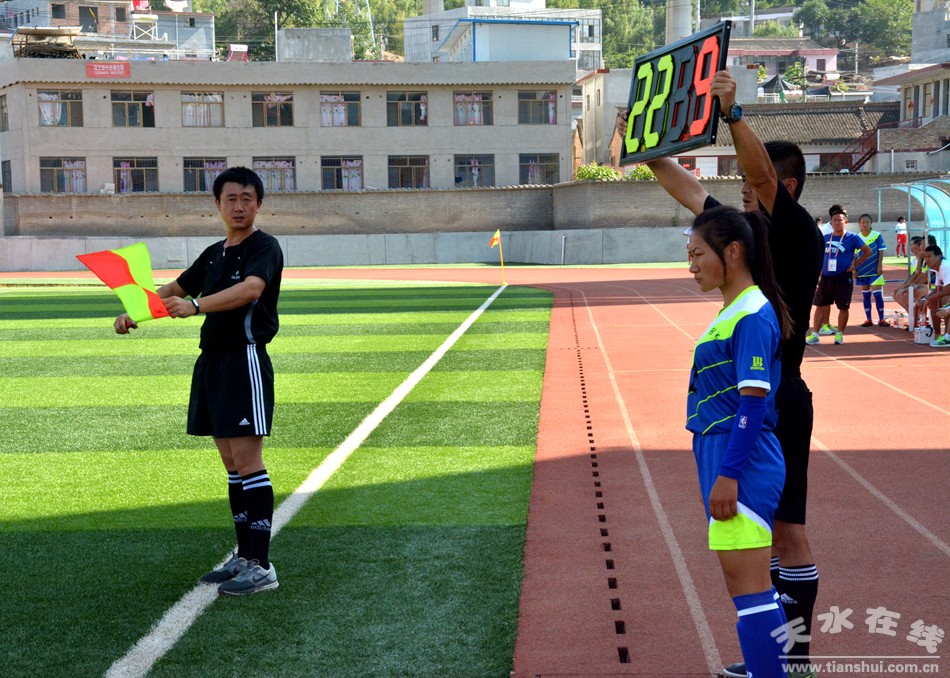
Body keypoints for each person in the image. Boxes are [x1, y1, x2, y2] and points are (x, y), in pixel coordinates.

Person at [620, 68, 824, 678]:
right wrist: (645, 148)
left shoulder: (795, 232)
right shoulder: (746, 235)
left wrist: (733, 115)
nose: (743, 190)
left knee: (786, 535)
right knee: (764, 540)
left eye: (755, 182)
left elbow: (760, 177)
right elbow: (689, 193)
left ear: (788, 186)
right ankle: (775, 658)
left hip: (776, 400)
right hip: (754, 402)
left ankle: (792, 659)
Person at [114, 166, 284, 596]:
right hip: (212, 364)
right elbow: (172, 289)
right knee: (231, 464)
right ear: (217, 205)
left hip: (244, 359)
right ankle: (244, 556)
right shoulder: (212, 254)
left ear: (259, 204)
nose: (239, 206)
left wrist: (197, 306)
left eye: (247, 198)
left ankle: (262, 565)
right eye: (231, 199)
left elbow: (251, 290)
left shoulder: (264, 247)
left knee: (248, 462)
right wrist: (134, 312)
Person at [687, 206, 792, 678]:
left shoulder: (750, 314)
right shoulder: (734, 311)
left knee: (748, 591)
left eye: (697, 254)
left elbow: (752, 403)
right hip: (726, 453)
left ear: (731, 252)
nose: (691, 265)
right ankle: (766, 669)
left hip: (741, 460)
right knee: (751, 589)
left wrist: (728, 474)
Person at [805, 205, 872, 345]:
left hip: (843, 277)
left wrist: (855, 265)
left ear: (845, 222)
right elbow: (818, 254)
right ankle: (815, 334)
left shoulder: (852, 238)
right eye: (834, 220)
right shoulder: (825, 237)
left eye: (840, 220)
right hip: (826, 277)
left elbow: (868, 251)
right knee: (820, 305)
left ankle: (839, 334)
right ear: (831, 222)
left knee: (843, 307)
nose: (837, 222)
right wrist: (818, 271)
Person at [854, 214, 888, 327]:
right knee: (866, 295)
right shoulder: (857, 237)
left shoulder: (877, 235)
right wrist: (854, 269)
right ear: (859, 224)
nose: (865, 224)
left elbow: (881, 251)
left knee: (877, 295)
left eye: (867, 222)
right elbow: (855, 254)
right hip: (862, 270)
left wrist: (879, 266)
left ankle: (881, 319)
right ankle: (868, 319)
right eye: (863, 222)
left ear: (871, 223)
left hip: (875, 270)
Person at [893, 236, 930, 327]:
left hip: (927, 286)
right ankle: (914, 316)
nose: (913, 250)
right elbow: (912, 276)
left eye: (916, 248)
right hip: (921, 285)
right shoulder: (916, 260)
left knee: (905, 294)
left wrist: (909, 287)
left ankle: (917, 318)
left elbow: (922, 277)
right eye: (912, 248)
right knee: (897, 294)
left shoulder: (927, 260)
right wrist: (903, 286)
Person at [919, 245, 950, 346]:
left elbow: (947, 290)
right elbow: (938, 289)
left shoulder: (945, 267)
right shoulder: (938, 269)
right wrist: (926, 299)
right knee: (934, 301)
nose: (926, 260)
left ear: (938, 257)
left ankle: (948, 337)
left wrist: (929, 299)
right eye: (925, 257)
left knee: (947, 304)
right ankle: (937, 333)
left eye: (929, 256)